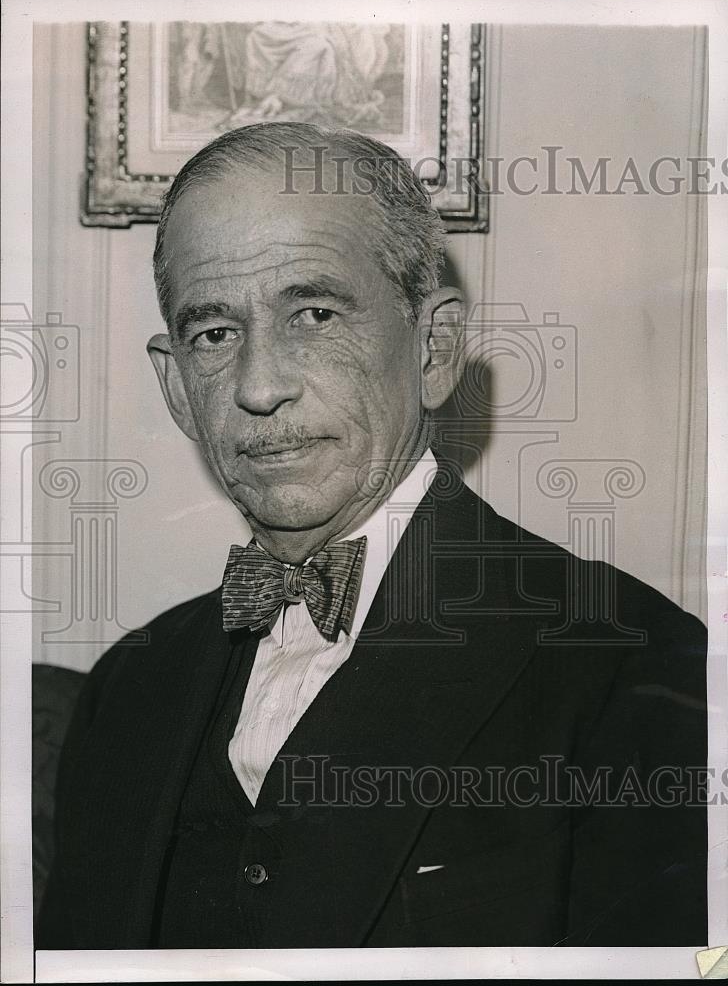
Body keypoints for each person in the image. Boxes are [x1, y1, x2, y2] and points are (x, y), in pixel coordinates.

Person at [36, 122, 707, 949]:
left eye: (314, 314)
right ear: (176, 386)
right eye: (215, 333)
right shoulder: (125, 689)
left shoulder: (634, 666)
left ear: (435, 349)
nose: (260, 385)